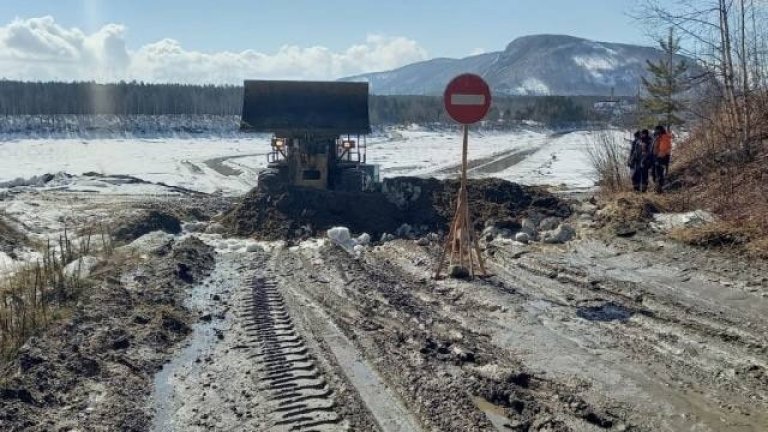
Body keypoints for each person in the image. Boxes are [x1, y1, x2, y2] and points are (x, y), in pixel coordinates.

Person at [652, 125, 672, 193]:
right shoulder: (658, 138)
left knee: (661, 174)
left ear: (660, 130)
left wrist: (658, 158)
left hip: (662, 158)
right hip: (658, 158)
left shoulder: (664, 137)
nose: (655, 131)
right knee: (656, 174)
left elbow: (663, 149)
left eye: (656, 130)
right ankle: (659, 188)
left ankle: (661, 189)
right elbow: (655, 148)